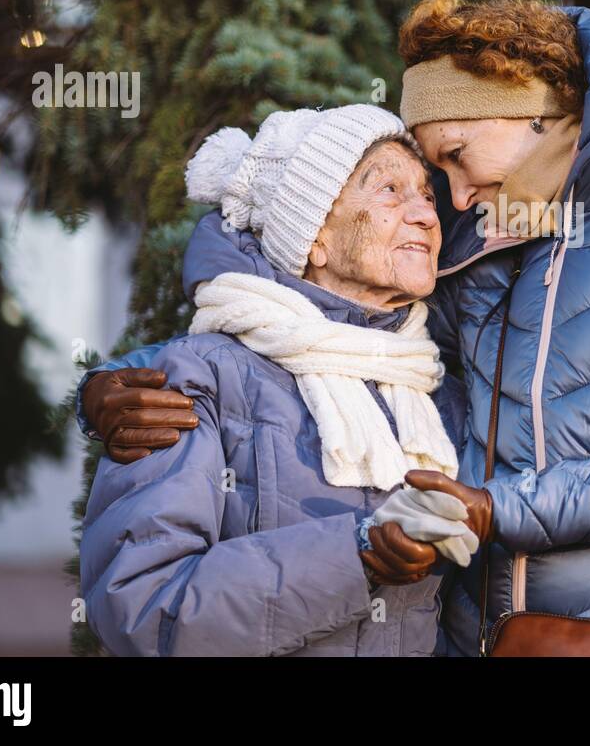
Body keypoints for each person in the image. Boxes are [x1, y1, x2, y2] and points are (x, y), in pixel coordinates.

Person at [81, 0, 590, 656]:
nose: (451, 200)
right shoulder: (478, 255)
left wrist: (498, 510)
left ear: (531, 110)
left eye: (454, 159)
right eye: (434, 178)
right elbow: (314, 304)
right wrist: (104, 393)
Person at [79, 105, 470, 656]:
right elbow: (143, 607)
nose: (427, 216)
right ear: (314, 238)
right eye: (388, 190)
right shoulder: (200, 379)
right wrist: (354, 556)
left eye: (427, 196)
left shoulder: (439, 395)